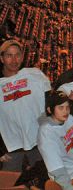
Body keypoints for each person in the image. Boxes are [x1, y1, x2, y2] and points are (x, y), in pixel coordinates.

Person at [0, 40, 50, 171]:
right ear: (1, 58)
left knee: (41, 182)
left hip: (38, 142)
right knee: (9, 184)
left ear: (22, 57)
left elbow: (49, 104)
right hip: (11, 147)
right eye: (9, 55)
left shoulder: (35, 74)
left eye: (17, 55)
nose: (14, 60)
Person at [38, 91, 73, 189]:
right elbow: (55, 167)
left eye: (67, 107)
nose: (65, 111)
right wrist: (70, 187)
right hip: (62, 180)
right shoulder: (46, 132)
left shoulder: (68, 118)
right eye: (61, 108)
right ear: (49, 109)